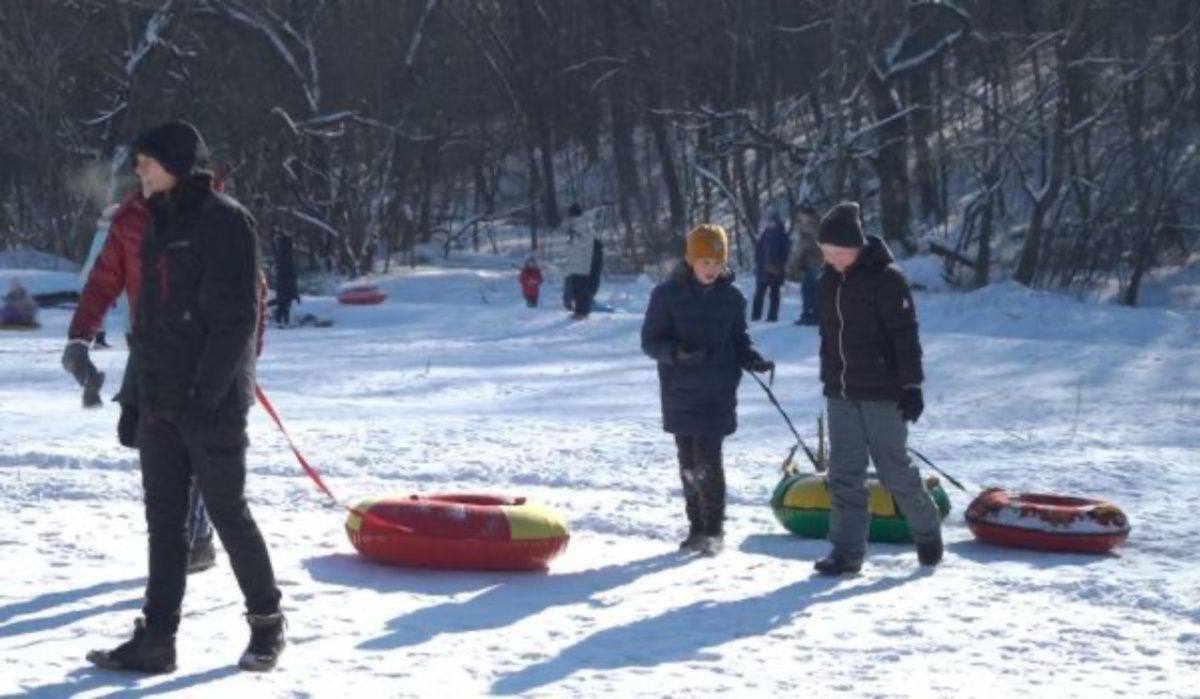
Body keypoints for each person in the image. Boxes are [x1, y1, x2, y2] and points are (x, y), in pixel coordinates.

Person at [86, 120, 285, 674]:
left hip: (211, 402)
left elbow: (236, 319)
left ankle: (267, 624)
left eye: (147, 163)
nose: (140, 173)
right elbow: (147, 321)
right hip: (159, 399)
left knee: (227, 512)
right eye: (138, 164)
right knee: (165, 523)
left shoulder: (227, 221)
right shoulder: (157, 223)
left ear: (175, 163)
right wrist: (135, 398)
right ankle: (158, 639)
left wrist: (205, 395)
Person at [62, 189, 217, 572]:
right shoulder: (130, 221)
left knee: (196, 447)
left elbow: (249, 292)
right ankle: (188, 537)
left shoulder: (218, 217)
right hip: (148, 351)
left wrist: (243, 355)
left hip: (203, 354)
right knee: (155, 448)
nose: (147, 172)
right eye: (142, 165)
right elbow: (102, 282)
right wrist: (79, 338)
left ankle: (193, 540)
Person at [811, 201, 943, 576]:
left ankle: (927, 532)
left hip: (883, 392)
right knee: (844, 475)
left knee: (894, 471)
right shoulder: (828, 281)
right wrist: (829, 376)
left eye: (838, 252)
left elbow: (905, 336)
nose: (832, 259)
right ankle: (846, 553)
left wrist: (912, 385)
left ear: (856, 246)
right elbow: (828, 336)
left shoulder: (888, 279)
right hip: (841, 392)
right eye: (826, 252)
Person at [641, 223, 774, 556]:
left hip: (718, 389)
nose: (712, 269)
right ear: (691, 260)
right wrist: (677, 353)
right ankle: (695, 528)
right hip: (680, 390)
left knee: (708, 460)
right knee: (688, 462)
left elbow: (738, 338)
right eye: (705, 262)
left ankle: (713, 530)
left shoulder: (731, 297)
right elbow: (651, 341)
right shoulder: (667, 295)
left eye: (717, 263)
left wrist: (750, 357)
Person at [561, 203, 600, 319]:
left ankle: (581, 312)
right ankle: (581, 310)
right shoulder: (580, 225)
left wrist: (573, 237)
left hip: (581, 263)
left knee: (580, 287)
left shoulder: (580, 226)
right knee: (580, 287)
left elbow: (582, 244)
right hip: (579, 262)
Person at [751, 211, 789, 322]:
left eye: (773, 221)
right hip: (763, 270)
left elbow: (785, 254)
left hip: (775, 271)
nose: (771, 223)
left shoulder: (783, 236)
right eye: (769, 221)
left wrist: (777, 266)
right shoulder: (765, 235)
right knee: (759, 294)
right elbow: (758, 251)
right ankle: (755, 317)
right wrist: (758, 264)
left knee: (774, 294)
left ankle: (772, 317)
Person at [791, 205, 821, 326]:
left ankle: (813, 314)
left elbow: (804, 246)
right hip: (808, 263)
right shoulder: (808, 229)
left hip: (815, 263)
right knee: (808, 290)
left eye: (802, 216)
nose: (800, 219)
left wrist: (795, 262)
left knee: (811, 290)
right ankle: (809, 313)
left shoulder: (813, 228)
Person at [272, 232, 299, 326]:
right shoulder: (287, 255)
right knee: (285, 304)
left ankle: (281, 320)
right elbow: (291, 272)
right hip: (286, 282)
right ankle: (283, 320)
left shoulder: (281, 255)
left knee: (282, 303)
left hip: (282, 282)